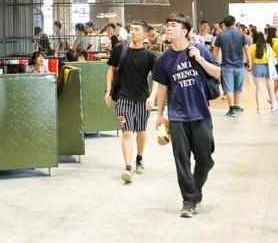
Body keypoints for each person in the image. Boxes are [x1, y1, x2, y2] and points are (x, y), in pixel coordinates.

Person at [153, 13, 220, 218]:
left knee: (205, 160)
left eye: (173, 25)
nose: (168, 28)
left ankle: (195, 189)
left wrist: (199, 59)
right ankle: (189, 201)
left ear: (185, 31)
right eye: (167, 25)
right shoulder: (163, 59)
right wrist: (160, 114)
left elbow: (217, 73)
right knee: (182, 162)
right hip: (177, 117)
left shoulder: (199, 50)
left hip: (200, 113)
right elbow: (162, 87)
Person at [105, 20, 159, 183]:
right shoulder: (120, 49)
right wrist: (108, 91)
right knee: (127, 132)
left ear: (145, 34)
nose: (133, 32)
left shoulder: (150, 56)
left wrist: (152, 97)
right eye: (131, 29)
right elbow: (111, 70)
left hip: (142, 99)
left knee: (141, 131)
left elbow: (156, 79)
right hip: (123, 98)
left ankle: (139, 159)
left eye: (137, 29)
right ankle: (128, 167)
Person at [213, 15, 250, 116]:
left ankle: (232, 109)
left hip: (227, 66)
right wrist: (249, 61)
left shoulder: (221, 35)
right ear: (234, 23)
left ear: (224, 24)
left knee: (228, 88)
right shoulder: (241, 34)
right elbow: (246, 48)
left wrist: (214, 62)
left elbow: (216, 49)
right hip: (239, 65)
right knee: (238, 87)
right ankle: (237, 106)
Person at [249, 31, 278, 113]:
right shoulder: (267, 46)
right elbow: (273, 56)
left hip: (257, 67)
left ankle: (259, 108)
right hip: (267, 67)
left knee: (259, 89)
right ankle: (273, 106)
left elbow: (250, 59)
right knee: (270, 88)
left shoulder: (252, 47)